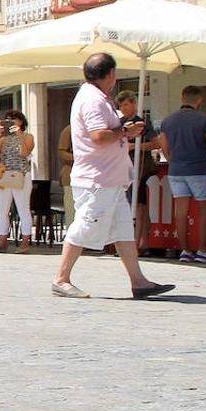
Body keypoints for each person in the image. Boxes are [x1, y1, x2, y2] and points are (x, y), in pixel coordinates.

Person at [51, 53, 175, 300]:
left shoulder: (98, 98)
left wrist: (124, 132)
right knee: (85, 225)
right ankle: (61, 278)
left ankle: (138, 281)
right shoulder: (92, 100)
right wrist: (123, 131)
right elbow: (98, 136)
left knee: (122, 230)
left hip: (110, 179)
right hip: (97, 179)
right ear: (110, 74)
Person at [158, 85, 206, 263]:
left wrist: (173, 159)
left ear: (182, 98)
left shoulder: (167, 121)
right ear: (199, 100)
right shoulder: (204, 120)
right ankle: (203, 250)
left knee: (181, 211)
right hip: (198, 168)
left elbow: (164, 148)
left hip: (175, 170)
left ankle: (185, 250)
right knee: (204, 209)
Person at [114, 89, 160, 253]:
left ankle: (137, 242)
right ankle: (143, 243)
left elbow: (156, 144)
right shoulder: (118, 123)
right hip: (123, 168)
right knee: (133, 204)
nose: (124, 108)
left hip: (138, 168)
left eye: (126, 104)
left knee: (138, 205)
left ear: (133, 104)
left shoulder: (141, 122)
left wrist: (136, 146)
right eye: (121, 105)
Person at [0, 110, 35, 254]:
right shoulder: (3, 138)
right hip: (4, 174)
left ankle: (25, 242)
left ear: (20, 121)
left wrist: (19, 134)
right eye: (7, 119)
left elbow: (25, 152)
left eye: (13, 119)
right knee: (1, 209)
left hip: (21, 174)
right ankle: (2, 241)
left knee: (23, 208)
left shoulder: (28, 136)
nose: (10, 121)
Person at [57, 126, 75, 227]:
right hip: (71, 175)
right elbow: (61, 152)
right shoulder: (69, 129)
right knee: (71, 211)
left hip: (96, 178)